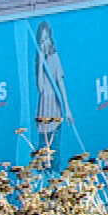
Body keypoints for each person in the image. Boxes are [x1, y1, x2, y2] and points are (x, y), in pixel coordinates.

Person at [35, 21, 71, 156]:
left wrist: (67, 110)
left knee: (54, 146)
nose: (45, 43)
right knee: (43, 148)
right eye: (42, 41)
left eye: (46, 39)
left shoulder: (54, 58)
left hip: (54, 108)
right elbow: (40, 88)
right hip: (43, 109)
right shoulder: (41, 62)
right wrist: (40, 63)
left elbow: (61, 84)